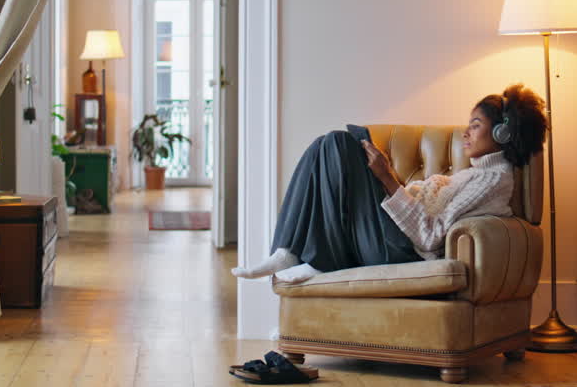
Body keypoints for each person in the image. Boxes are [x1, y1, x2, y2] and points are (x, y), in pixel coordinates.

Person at [232, 84, 548, 284]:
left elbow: (429, 236)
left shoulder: (493, 180)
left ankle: (304, 255)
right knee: (326, 144)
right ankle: (292, 252)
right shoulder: (474, 175)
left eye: (475, 125)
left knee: (340, 143)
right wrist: (389, 180)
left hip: (402, 254)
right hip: (392, 243)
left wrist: (385, 177)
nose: (466, 133)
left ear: (502, 135)